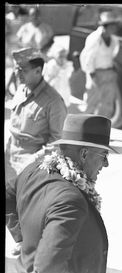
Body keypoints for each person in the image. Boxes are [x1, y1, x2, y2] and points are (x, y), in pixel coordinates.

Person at [5, 114, 114, 273]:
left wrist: (23, 238)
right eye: (104, 155)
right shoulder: (72, 200)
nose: (106, 164)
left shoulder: (34, 169)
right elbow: (48, 269)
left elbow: (7, 196)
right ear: (84, 154)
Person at [5, 47, 67, 199]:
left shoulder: (53, 101)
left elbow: (57, 142)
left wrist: (32, 162)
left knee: (20, 209)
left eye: (22, 70)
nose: (17, 74)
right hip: (10, 156)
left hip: (31, 162)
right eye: (16, 69)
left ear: (38, 71)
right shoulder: (21, 90)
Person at [79, 11, 122, 118]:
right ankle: (85, 129)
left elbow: (113, 56)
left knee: (107, 104)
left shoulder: (114, 40)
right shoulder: (94, 38)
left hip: (109, 73)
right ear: (105, 26)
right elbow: (88, 58)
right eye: (112, 25)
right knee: (91, 102)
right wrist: (92, 76)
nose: (115, 28)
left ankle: (100, 129)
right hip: (95, 74)